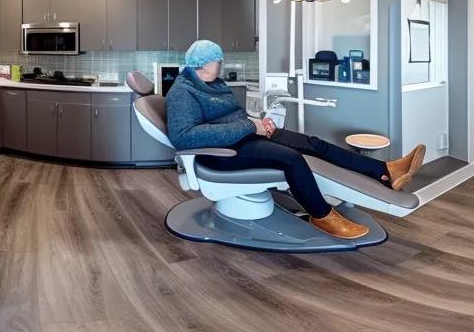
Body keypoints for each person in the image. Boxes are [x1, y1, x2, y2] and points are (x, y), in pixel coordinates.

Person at [165, 40, 424, 239]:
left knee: (314, 144)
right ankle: (322, 215)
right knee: (292, 160)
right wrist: (248, 125)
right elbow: (185, 138)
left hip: (243, 136)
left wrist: (259, 123)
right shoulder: (182, 93)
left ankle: (385, 171)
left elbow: (232, 116)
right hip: (223, 153)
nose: (221, 63)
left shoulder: (214, 83)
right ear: (206, 63)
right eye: (218, 60)